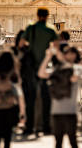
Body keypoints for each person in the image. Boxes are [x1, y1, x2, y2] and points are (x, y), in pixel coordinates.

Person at [38, 46, 82, 148]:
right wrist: (47, 57)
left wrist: (59, 56)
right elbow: (41, 73)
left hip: (70, 111)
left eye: (72, 54)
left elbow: (74, 76)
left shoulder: (77, 68)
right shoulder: (57, 70)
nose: (69, 56)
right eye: (67, 54)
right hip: (56, 111)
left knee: (73, 141)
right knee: (58, 143)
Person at [19, 8, 59, 136]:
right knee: (45, 98)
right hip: (45, 67)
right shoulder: (51, 30)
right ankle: (46, 127)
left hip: (31, 68)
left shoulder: (31, 28)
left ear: (37, 15)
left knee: (30, 99)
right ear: (48, 16)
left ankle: (29, 127)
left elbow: (21, 43)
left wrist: (29, 48)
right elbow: (57, 47)